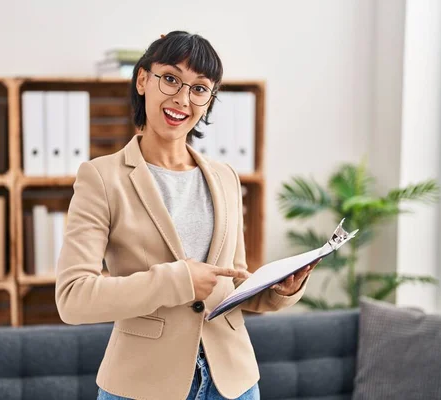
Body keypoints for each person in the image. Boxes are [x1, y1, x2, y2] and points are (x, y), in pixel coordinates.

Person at [55, 31, 318, 400]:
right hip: (142, 385)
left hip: (233, 383)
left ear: (209, 101)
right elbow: (73, 298)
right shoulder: (101, 178)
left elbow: (229, 283)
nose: (182, 98)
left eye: (199, 88)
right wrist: (177, 280)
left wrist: (276, 291)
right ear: (143, 79)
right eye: (171, 79)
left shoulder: (225, 177)